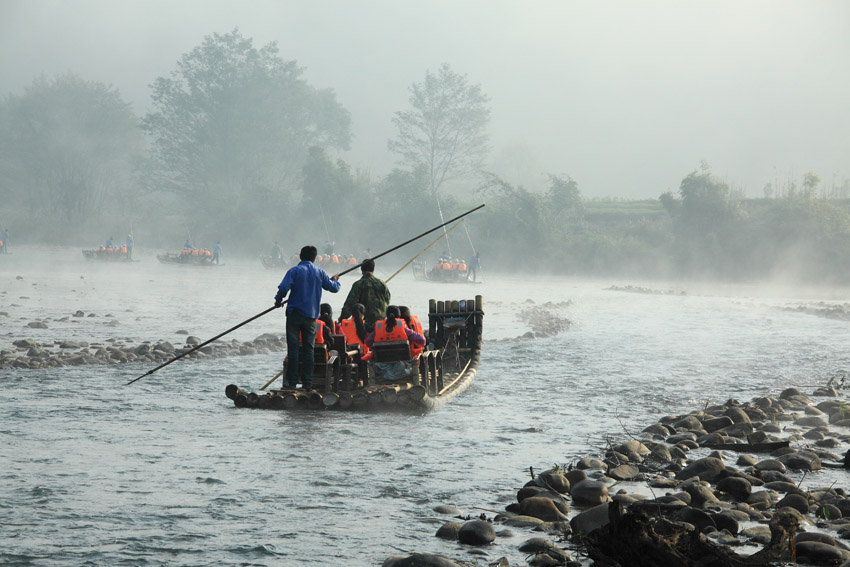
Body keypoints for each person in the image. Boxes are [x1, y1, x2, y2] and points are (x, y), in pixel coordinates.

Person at [274, 245, 341, 390]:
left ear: (300, 257)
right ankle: (307, 384)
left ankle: (291, 383)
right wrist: (336, 280)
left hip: (294, 315)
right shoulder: (320, 273)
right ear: (315, 258)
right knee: (308, 350)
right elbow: (333, 288)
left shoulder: (294, 271)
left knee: (293, 350)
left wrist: (278, 300)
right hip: (311, 317)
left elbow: (284, 288)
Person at [339, 258, 391, 332]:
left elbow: (349, 305)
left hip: (364, 325)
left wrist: (341, 320)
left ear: (361, 269)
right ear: (373, 269)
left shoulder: (358, 284)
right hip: (381, 324)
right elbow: (387, 301)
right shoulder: (382, 284)